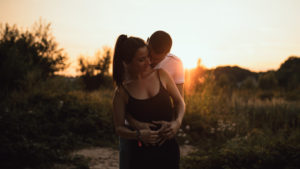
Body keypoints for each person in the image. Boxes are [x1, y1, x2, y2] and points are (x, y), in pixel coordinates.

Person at [112, 34, 185, 169]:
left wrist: (176, 123)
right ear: (127, 63)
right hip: (139, 152)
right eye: (142, 60)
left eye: (148, 57)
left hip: (168, 149)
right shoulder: (122, 90)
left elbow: (180, 102)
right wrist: (138, 133)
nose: (149, 62)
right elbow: (119, 126)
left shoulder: (162, 74)